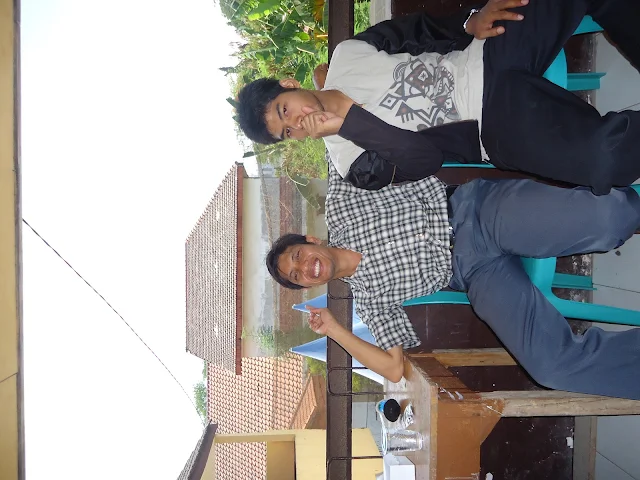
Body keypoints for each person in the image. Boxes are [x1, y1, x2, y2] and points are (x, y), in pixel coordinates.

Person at [266, 165, 640, 399]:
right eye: (297, 277)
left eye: (298, 255)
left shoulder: (341, 206)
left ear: (310, 241)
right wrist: (334, 329)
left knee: (611, 220)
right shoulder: (369, 298)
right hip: (474, 274)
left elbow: (336, 129)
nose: (306, 268)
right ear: (309, 287)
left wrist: (325, 81)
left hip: (473, 211)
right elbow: (394, 368)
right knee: (550, 368)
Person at [236, 0, 640, 195]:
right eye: (287, 132)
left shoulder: (348, 54)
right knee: (604, 161)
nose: (297, 123)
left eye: (285, 110)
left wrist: (470, 21)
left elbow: (419, 31)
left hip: (485, 55)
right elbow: (424, 159)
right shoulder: (350, 163)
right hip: (492, 126)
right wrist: (349, 122)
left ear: (289, 84)